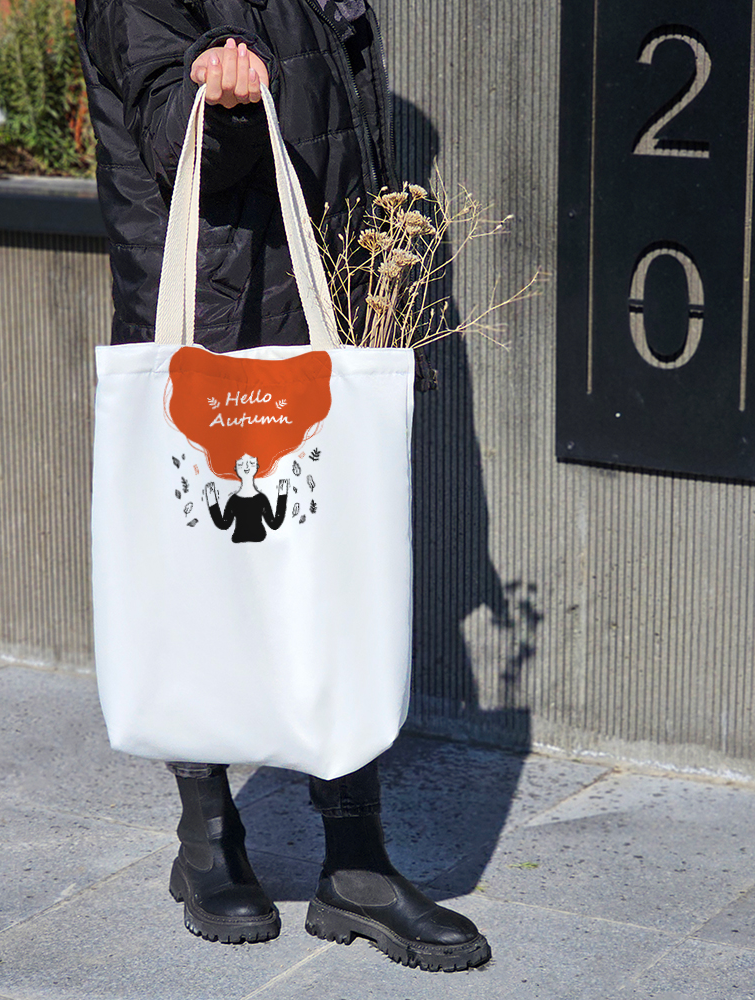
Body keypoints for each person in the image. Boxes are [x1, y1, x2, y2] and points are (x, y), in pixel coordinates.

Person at [75, 0, 489, 973]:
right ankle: (207, 837)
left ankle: (357, 860)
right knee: (200, 573)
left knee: (339, 569)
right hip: (214, 308)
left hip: (314, 303)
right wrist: (216, 105)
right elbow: (170, 135)